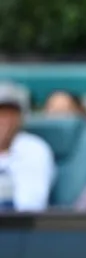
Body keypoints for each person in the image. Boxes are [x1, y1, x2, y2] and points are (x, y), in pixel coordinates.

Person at [0, 82, 55, 211]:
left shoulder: (34, 149)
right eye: (1, 114)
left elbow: (30, 205)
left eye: (11, 114)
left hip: (17, 227)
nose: (5, 121)